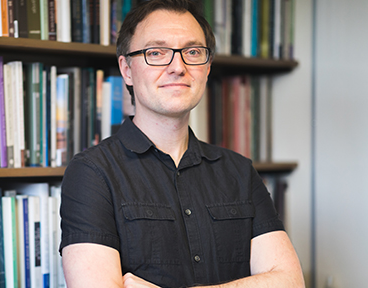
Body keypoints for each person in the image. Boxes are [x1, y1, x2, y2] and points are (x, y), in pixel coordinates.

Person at [59, 0, 305, 287]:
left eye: (192, 52)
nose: (178, 67)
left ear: (208, 67)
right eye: (157, 52)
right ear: (126, 69)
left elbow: (290, 281)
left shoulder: (239, 171)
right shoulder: (92, 173)